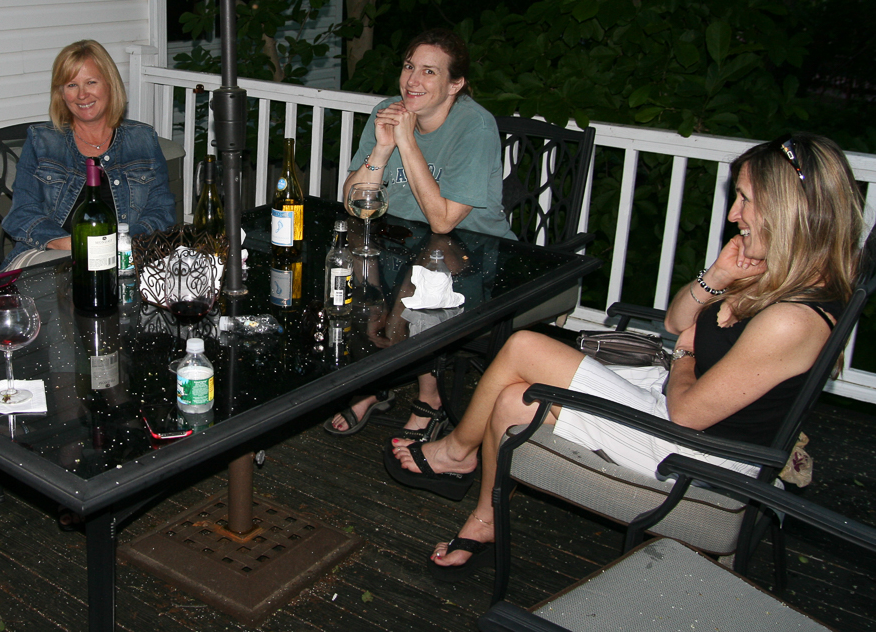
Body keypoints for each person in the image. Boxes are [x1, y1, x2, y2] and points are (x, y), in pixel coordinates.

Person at [388, 134, 864, 580]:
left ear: (790, 211)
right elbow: (678, 321)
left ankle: (457, 452)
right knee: (513, 400)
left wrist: (682, 357)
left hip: (698, 451)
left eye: (746, 200)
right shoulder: (776, 272)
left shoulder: (793, 317)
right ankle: (484, 518)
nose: (734, 214)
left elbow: (688, 408)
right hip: (678, 412)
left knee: (524, 347)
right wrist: (717, 275)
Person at [327, 29, 513, 440]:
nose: (413, 81)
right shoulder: (387, 111)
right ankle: (372, 381)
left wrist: (407, 143)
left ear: (455, 84)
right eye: (410, 66)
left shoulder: (475, 127)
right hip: (401, 241)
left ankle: (427, 397)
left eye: (430, 72)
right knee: (352, 264)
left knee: (418, 278)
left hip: (474, 256)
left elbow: (445, 221)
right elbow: (353, 202)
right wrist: (381, 148)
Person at [0, 39, 175, 268]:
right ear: (61, 93)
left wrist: (121, 245)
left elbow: (161, 210)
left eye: (91, 82)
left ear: (109, 84)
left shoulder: (142, 139)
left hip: (125, 256)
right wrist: (76, 245)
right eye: (72, 85)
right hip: (53, 256)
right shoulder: (41, 141)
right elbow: (22, 212)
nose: (82, 95)